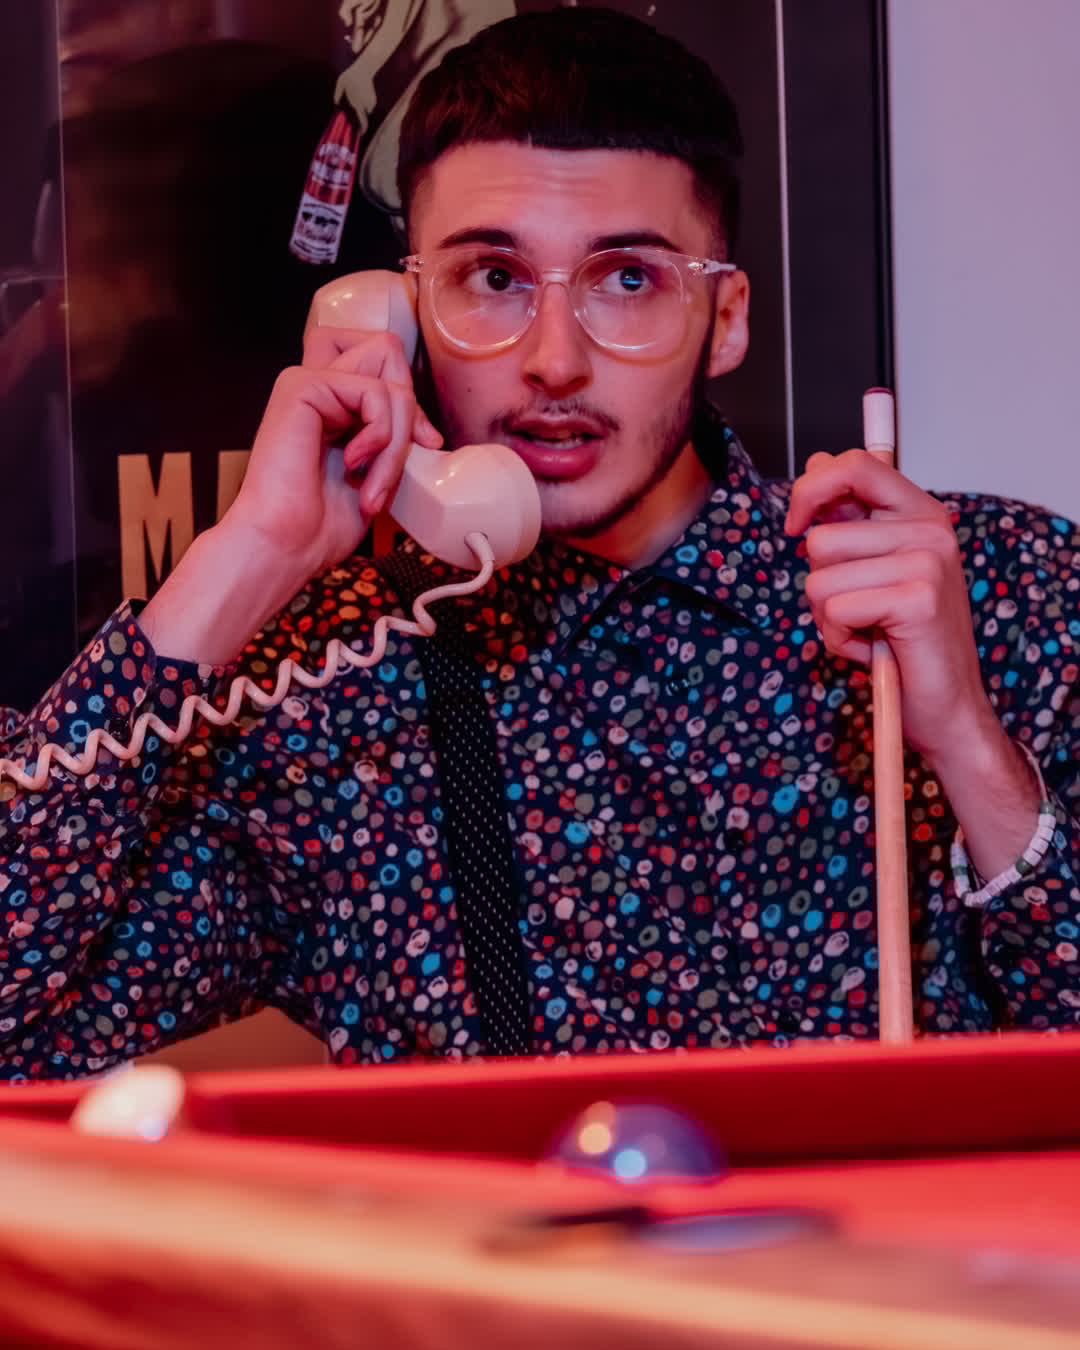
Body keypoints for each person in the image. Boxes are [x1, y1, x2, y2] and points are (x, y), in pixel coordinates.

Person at [1, 7, 1077, 1079]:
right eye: (494, 279)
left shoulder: (992, 589)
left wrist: (970, 749)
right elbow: (19, 1032)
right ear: (405, 317)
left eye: (628, 279)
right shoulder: (329, 687)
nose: (554, 360)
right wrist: (246, 557)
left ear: (727, 319)